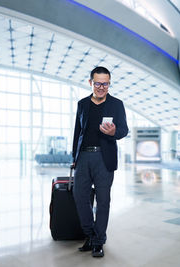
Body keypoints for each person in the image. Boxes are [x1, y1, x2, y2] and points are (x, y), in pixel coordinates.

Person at [71, 66, 128, 257]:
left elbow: (124, 130)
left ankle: (98, 242)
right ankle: (91, 234)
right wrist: (74, 158)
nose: (101, 87)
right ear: (91, 83)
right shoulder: (82, 104)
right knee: (80, 197)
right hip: (84, 157)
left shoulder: (117, 104)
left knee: (103, 201)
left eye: (105, 83)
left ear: (109, 83)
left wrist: (114, 132)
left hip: (104, 157)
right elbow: (77, 132)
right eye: (98, 83)